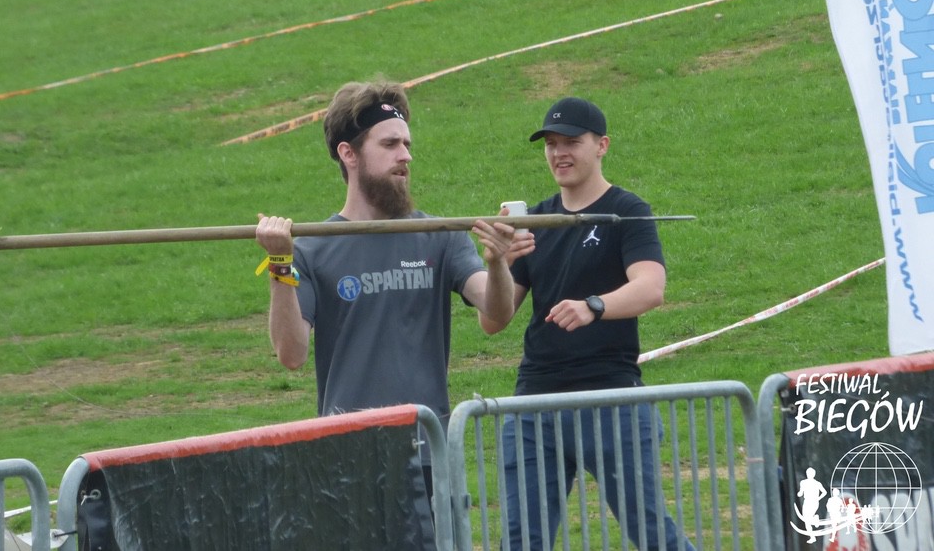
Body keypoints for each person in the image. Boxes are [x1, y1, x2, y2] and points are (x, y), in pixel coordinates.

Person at [255, 80, 517, 497]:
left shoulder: (440, 236)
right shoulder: (311, 249)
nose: (406, 156)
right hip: (346, 457)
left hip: (426, 455)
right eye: (391, 144)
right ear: (349, 153)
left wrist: (497, 262)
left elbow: (497, 310)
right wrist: (279, 264)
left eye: (407, 144)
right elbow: (291, 354)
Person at [480, 96, 695, 551]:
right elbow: (493, 320)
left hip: (611, 399)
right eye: (551, 143)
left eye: (571, 142)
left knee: (650, 531)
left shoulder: (627, 209)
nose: (559, 153)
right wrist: (497, 262)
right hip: (534, 405)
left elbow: (651, 286)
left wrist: (593, 306)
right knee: (520, 540)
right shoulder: (534, 220)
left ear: (602, 145)